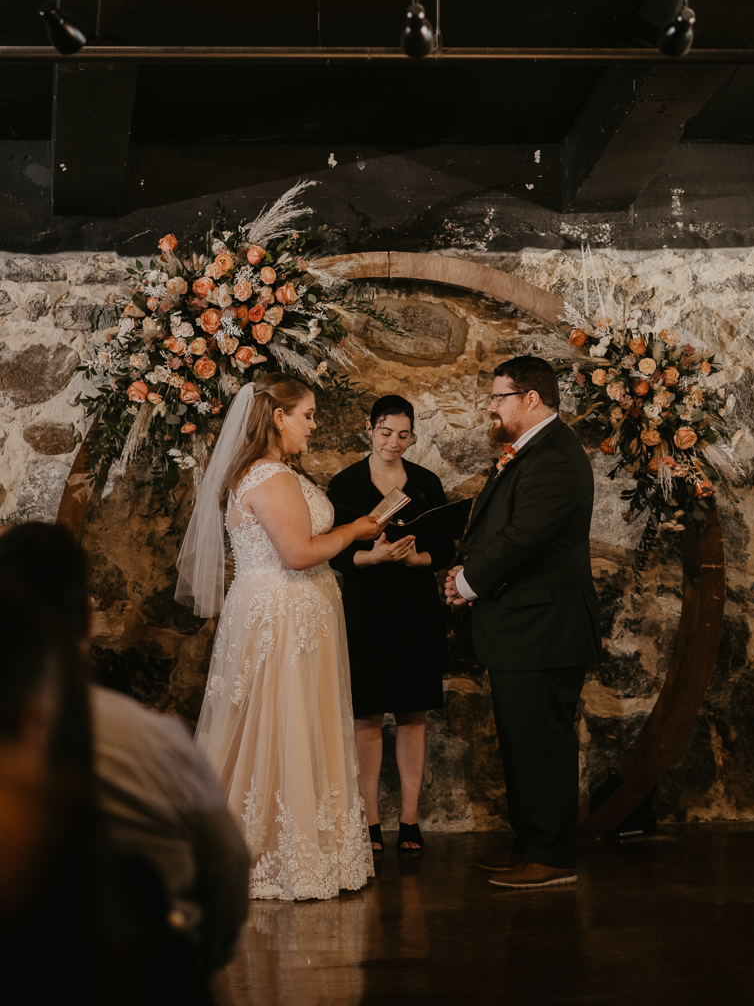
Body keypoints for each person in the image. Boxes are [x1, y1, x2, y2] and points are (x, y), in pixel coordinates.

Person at [0, 521, 248, 984]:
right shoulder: (160, 741)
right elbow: (228, 870)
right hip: (151, 972)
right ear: (88, 618)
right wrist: (194, 962)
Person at [176, 372, 382, 901]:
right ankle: (270, 852)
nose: (313, 426)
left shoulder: (269, 472)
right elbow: (298, 553)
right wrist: (354, 531)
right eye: (308, 415)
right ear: (278, 417)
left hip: (287, 612)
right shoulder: (269, 476)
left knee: (277, 726)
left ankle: (274, 843)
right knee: (276, 725)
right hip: (283, 616)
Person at [445, 355, 602, 889]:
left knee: (543, 744)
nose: (491, 407)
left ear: (531, 399)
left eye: (498, 397)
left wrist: (468, 582)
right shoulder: (531, 451)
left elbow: (524, 537)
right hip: (521, 626)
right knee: (519, 742)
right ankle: (530, 842)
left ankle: (554, 856)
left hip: (545, 627)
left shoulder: (555, 457)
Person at [327, 395, 454, 855]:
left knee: (412, 714)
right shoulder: (345, 484)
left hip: (414, 607)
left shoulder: (426, 482)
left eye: (404, 435)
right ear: (369, 428)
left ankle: (410, 820)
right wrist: (373, 555)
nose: (393, 442)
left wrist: (418, 558)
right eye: (385, 432)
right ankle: (369, 823)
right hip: (365, 607)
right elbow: (334, 552)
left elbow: (444, 547)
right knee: (366, 715)